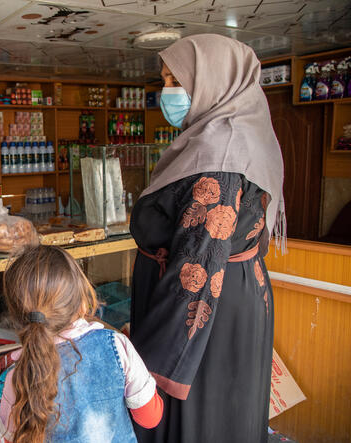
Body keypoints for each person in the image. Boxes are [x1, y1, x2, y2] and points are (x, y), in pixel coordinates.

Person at [129, 34, 285, 442]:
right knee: (228, 410)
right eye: (164, 81)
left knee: (199, 417)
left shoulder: (221, 154)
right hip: (230, 295)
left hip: (203, 310)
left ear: (214, 81)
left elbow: (197, 263)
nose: (167, 93)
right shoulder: (223, 135)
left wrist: (149, 367)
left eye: (175, 81)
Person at [0, 245, 163, 443]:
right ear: (82, 301)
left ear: (18, 318)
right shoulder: (116, 345)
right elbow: (150, 418)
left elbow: (11, 438)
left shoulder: (18, 375)